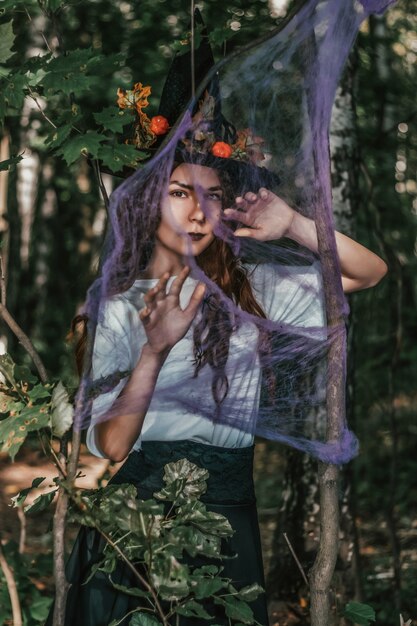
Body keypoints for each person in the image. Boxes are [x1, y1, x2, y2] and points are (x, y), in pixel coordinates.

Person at [53, 155, 385, 626]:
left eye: (213, 196)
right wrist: (154, 351)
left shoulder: (251, 289)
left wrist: (292, 223)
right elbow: (112, 446)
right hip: (141, 526)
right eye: (180, 192)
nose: (198, 213)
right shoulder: (118, 309)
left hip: (232, 518)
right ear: (147, 203)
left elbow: (368, 272)